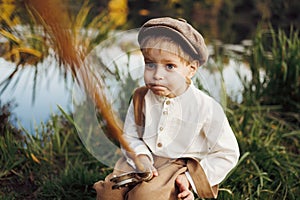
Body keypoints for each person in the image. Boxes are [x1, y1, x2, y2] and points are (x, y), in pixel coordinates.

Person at [94, 17, 240, 200]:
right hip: (143, 158)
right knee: (109, 194)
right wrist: (141, 157)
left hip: (177, 165)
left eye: (169, 66)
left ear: (191, 69)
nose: (157, 75)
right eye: (150, 64)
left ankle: (180, 193)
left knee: (145, 197)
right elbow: (131, 136)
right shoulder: (141, 98)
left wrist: (189, 179)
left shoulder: (206, 107)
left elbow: (227, 153)